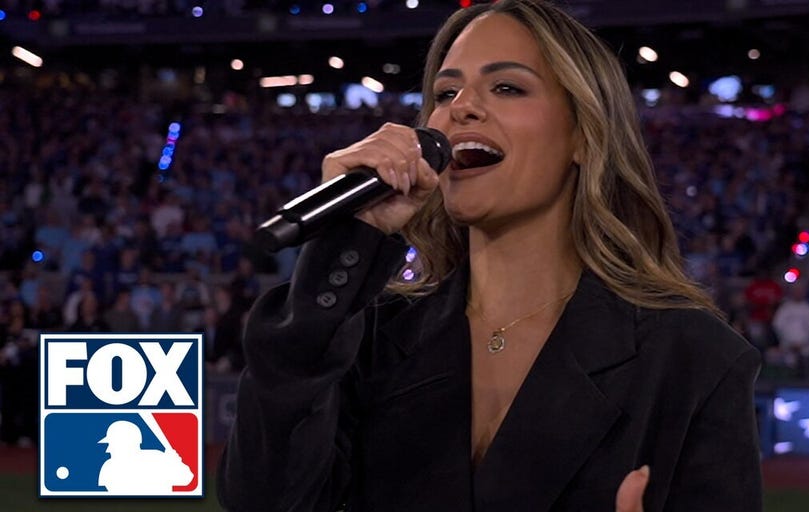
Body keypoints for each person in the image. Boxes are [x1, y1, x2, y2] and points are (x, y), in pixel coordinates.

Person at [218, 1, 762, 511]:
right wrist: (346, 242)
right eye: (445, 93)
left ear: (584, 134)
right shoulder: (368, 340)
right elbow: (264, 499)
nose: (462, 108)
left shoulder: (694, 360)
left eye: (506, 87)